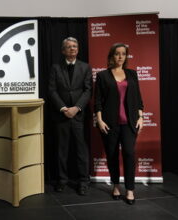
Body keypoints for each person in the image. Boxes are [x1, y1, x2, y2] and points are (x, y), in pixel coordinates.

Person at [94, 43, 144, 205]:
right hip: (109, 124)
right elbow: (98, 101)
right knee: (112, 155)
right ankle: (116, 185)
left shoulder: (132, 74)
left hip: (129, 123)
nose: (120, 57)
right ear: (111, 56)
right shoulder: (102, 76)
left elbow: (138, 99)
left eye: (123, 54)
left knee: (129, 153)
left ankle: (130, 190)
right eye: (117, 54)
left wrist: (141, 116)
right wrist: (100, 120)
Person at [49, 37, 93, 195]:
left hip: (78, 116)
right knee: (62, 150)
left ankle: (83, 181)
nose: (72, 48)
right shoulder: (55, 68)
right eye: (69, 47)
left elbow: (88, 90)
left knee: (81, 150)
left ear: (78, 49)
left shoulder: (85, 67)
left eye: (75, 46)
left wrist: (77, 108)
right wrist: (63, 108)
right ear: (63, 51)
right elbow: (52, 90)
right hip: (61, 115)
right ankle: (62, 180)